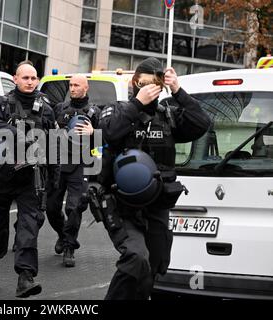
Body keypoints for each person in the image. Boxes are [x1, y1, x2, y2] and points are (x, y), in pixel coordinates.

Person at [97, 57, 211, 299]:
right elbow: (108, 132)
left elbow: (202, 123)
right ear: (135, 83)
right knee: (136, 257)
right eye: (144, 83)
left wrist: (178, 91)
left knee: (156, 264)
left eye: (155, 84)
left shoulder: (167, 116)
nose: (149, 88)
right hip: (122, 204)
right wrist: (137, 104)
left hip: (157, 203)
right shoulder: (117, 109)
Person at [0, 60, 58, 298]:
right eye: (25, 78)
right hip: (2, 176)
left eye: (34, 78)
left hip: (30, 178)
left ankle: (25, 278)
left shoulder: (45, 107)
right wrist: (19, 135)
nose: (30, 82)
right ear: (15, 79)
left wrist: (54, 179)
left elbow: (54, 143)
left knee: (28, 228)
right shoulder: (2, 104)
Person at [46, 74, 101, 267]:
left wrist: (93, 133)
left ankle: (69, 248)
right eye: (70, 85)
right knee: (51, 207)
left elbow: (103, 139)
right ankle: (63, 234)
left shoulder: (94, 112)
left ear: (86, 88)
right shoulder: (60, 109)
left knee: (74, 207)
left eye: (77, 85)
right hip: (58, 162)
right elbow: (49, 134)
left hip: (81, 164)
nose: (72, 88)